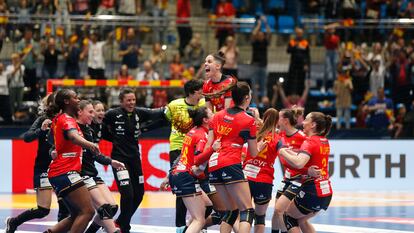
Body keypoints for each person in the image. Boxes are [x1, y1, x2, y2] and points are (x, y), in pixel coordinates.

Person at [194, 81, 259, 233]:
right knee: (247, 210)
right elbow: (254, 153)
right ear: (247, 98)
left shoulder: (217, 115)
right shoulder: (249, 120)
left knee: (231, 211)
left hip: (214, 164)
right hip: (230, 162)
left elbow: (209, 145)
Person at [102, 88, 167, 233]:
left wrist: (171, 108)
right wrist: (116, 140)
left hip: (135, 160)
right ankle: (124, 227)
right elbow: (103, 131)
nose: (131, 103)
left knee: (139, 194)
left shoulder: (139, 112)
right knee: (128, 194)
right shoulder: (112, 114)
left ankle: (120, 222)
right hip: (119, 160)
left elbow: (156, 113)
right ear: (121, 101)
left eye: (133, 100)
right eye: (128, 100)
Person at [44, 89, 100, 233]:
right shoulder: (67, 119)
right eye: (75, 97)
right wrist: (91, 144)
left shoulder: (61, 118)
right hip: (64, 171)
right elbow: (73, 137)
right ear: (67, 101)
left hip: (61, 172)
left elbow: (56, 141)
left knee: (76, 214)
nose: (78, 99)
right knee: (88, 211)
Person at [5, 94, 56, 233]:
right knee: (43, 210)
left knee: (69, 207)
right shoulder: (42, 120)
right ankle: (14, 221)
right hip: (44, 168)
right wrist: (42, 130)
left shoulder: (68, 119)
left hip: (63, 167)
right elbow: (27, 137)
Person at [278, 112, 333, 233]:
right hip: (326, 192)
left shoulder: (310, 141)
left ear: (313, 124)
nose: (303, 122)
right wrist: (291, 152)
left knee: (288, 217)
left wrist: (282, 152)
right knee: (301, 220)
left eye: (306, 120)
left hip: (313, 191)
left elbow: (298, 163)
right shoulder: (324, 140)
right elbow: (306, 157)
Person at [162, 107, 214, 233]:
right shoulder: (202, 135)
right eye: (211, 113)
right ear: (205, 120)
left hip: (180, 174)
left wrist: (169, 176)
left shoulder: (193, 131)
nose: (214, 115)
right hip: (184, 176)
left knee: (208, 205)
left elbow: (183, 157)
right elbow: (197, 160)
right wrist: (213, 149)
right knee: (199, 220)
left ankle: (186, 229)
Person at [76, 100, 125, 233]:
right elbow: (56, 144)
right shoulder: (73, 129)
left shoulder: (90, 129)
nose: (95, 115)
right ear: (80, 112)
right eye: (91, 111)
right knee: (101, 207)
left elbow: (96, 154)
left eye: (99, 111)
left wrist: (111, 161)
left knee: (112, 207)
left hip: (91, 172)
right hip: (79, 174)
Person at [164, 79, 205, 231]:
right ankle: (180, 226)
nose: (202, 93)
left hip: (197, 147)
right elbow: (164, 118)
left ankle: (197, 222)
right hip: (178, 147)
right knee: (182, 188)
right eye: (200, 91)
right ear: (192, 92)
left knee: (201, 184)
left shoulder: (203, 105)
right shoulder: (175, 105)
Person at [243, 108, 282, 233]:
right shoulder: (278, 138)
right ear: (277, 121)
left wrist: (257, 116)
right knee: (260, 217)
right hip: (264, 179)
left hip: (246, 177)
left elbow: (257, 122)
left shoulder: (255, 130)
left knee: (245, 214)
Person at [271, 108, 306, 233]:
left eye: (279, 117)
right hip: (287, 178)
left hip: (299, 179)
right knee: (276, 211)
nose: (276, 120)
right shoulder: (280, 135)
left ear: (285, 121)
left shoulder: (302, 137)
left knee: (282, 211)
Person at [286, 27, 310, 96]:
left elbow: (307, 55)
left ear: (302, 34)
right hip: (293, 64)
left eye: (300, 33)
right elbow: (288, 51)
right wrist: (295, 46)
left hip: (302, 65)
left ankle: (300, 95)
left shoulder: (305, 43)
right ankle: (289, 94)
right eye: (298, 33)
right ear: (296, 34)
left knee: (301, 81)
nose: (299, 35)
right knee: (291, 79)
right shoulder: (292, 42)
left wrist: (306, 64)